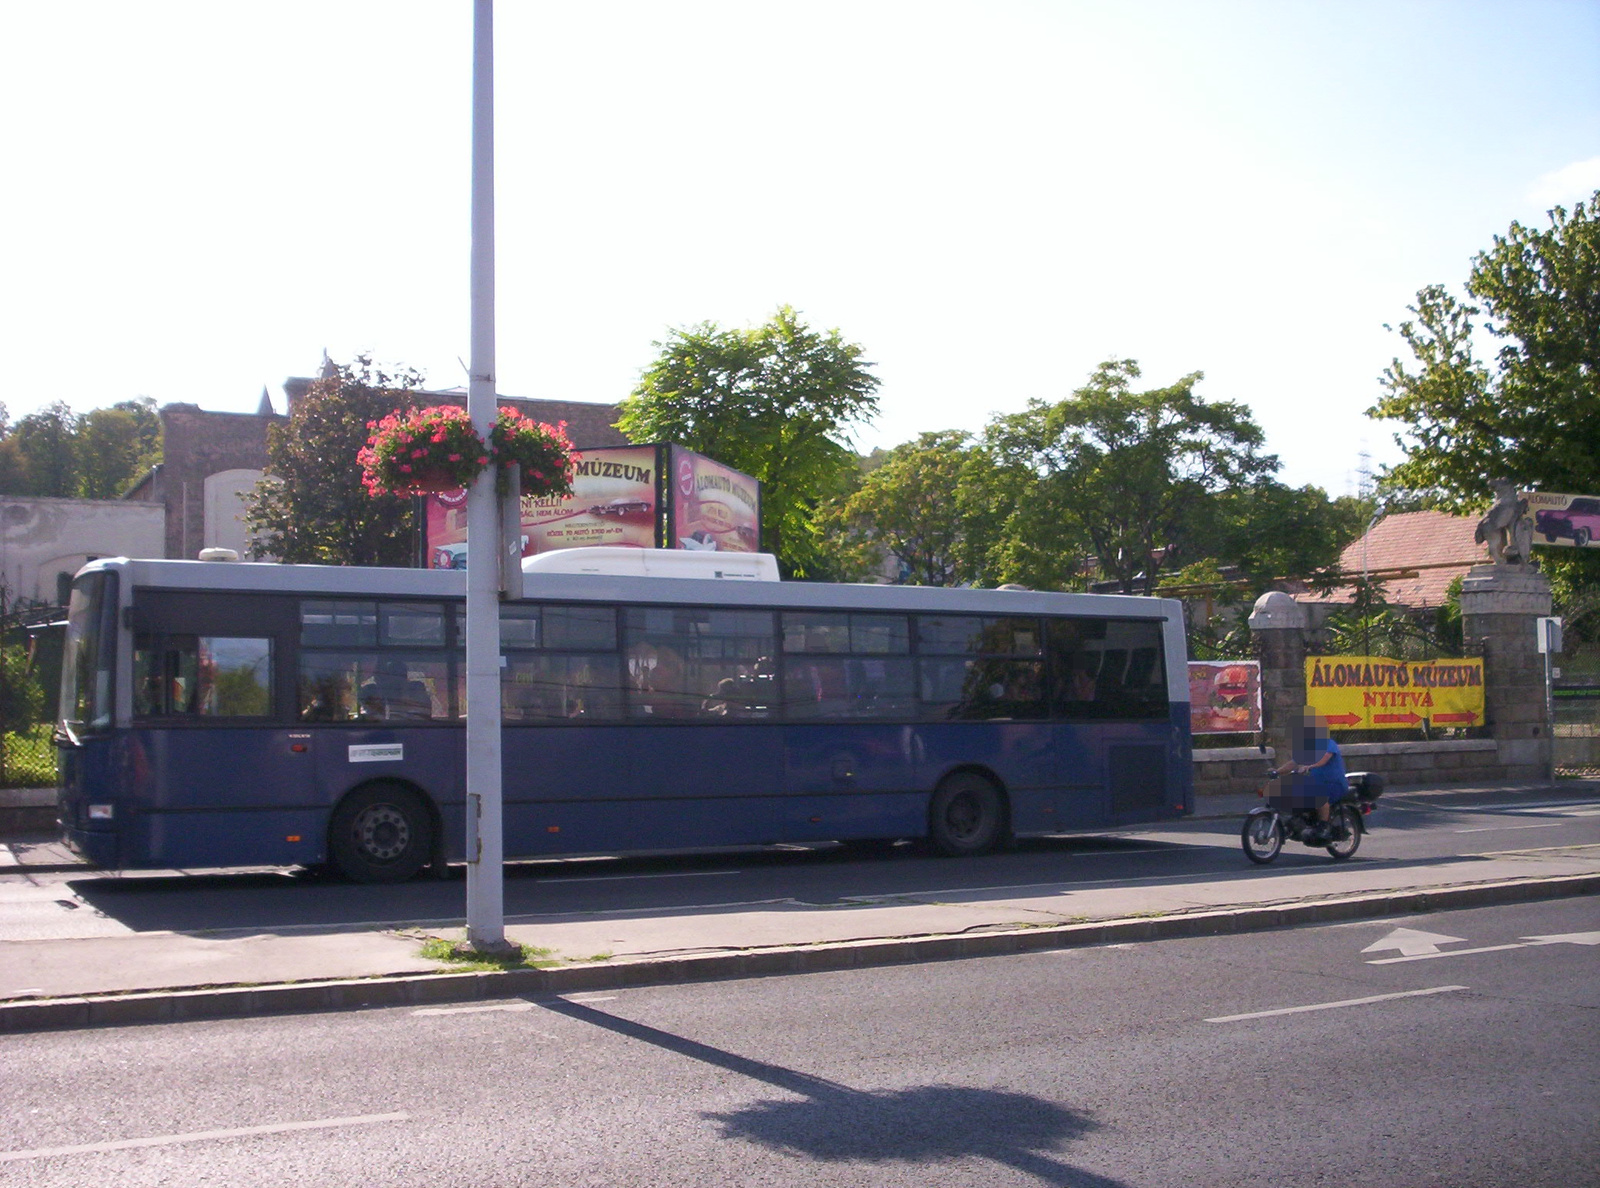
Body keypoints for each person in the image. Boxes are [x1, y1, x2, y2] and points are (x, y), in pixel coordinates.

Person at [1273, 708, 1349, 843]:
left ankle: (1324, 827)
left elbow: (1324, 758)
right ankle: (1299, 821)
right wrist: (1277, 771)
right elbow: (1295, 762)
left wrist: (1309, 766)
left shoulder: (1328, 743)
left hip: (1334, 784)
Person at [360, 658, 433, 720]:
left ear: (405, 677)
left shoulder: (416, 689)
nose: (395, 682)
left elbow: (425, 714)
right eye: (391, 676)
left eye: (400, 675)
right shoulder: (373, 692)